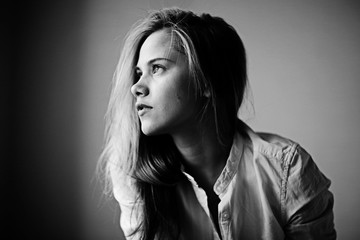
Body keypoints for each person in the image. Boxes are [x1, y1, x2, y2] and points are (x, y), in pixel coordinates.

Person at [99, 7, 336, 240]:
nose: (136, 87)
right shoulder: (131, 169)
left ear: (206, 81)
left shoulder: (288, 171)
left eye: (157, 68)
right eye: (139, 73)